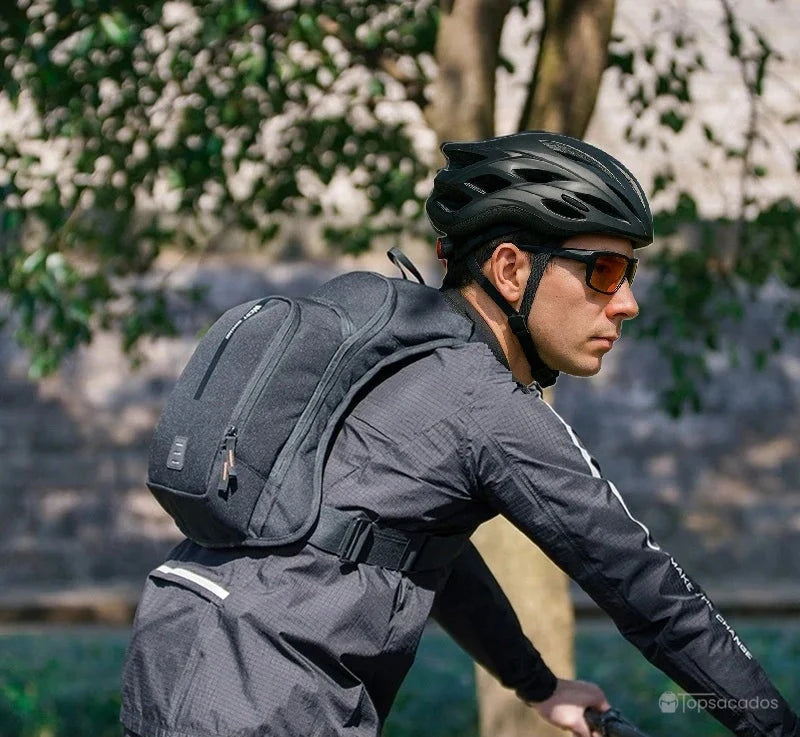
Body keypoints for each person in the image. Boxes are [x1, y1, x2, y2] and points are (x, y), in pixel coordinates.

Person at [120, 132, 799, 737]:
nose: (627, 302)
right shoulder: (483, 399)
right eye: (604, 271)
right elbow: (651, 592)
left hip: (182, 653)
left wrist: (538, 685)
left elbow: (414, 547)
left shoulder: (410, 353)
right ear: (511, 270)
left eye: (629, 273)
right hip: (271, 698)